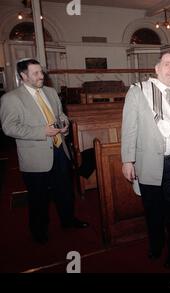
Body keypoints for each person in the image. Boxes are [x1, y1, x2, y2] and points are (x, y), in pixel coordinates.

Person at [121, 52, 170, 269]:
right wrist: (127, 160)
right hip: (148, 162)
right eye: (167, 64)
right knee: (153, 210)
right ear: (157, 68)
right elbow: (129, 128)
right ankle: (156, 245)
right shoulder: (139, 91)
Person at [0, 58, 88, 244]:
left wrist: (64, 125)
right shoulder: (10, 98)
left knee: (65, 191)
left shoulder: (50, 92)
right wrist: (42, 131)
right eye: (36, 73)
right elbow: (9, 128)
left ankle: (68, 220)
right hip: (35, 155)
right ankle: (39, 231)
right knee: (38, 197)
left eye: (41, 72)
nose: (42, 76)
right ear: (23, 76)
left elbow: (61, 115)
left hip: (59, 150)